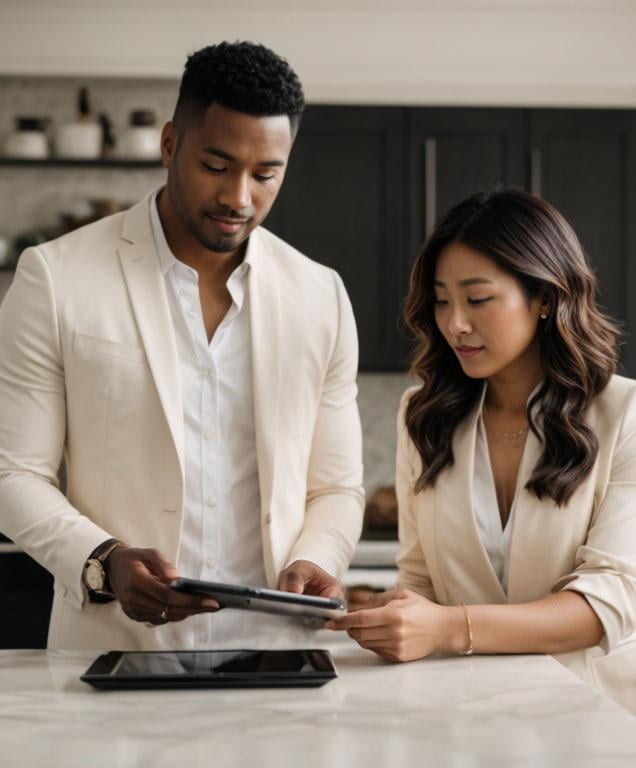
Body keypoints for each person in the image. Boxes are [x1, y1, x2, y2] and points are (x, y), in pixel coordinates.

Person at [0, 41, 364, 650]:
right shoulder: (55, 277)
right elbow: (14, 472)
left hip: (275, 660)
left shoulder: (321, 294)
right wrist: (104, 561)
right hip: (113, 654)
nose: (238, 198)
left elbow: (335, 486)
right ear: (170, 144)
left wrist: (318, 555)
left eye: (265, 174)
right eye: (216, 166)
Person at [327, 188, 636, 714]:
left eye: (477, 299)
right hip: (459, 716)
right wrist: (389, 621)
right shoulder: (421, 416)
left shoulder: (623, 413)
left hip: (592, 718)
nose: (454, 324)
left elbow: (611, 604)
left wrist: (446, 627)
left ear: (544, 297)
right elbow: (420, 580)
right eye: (442, 300)